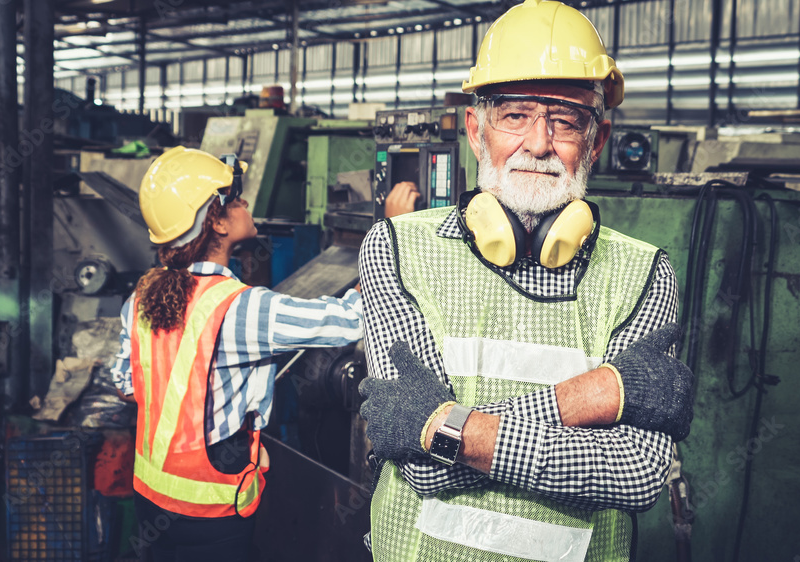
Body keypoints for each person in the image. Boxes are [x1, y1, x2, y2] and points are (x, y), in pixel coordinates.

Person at [356, 1, 695, 561]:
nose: (538, 143)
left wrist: (447, 428)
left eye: (565, 120)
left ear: (597, 139)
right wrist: (593, 396)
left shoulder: (644, 272)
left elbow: (637, 475)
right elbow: (422, 473)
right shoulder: (398, 248)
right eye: (514, 115)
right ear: (475, 128)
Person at [109, 146, 366, 562]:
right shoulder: (242, 308)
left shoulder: (142, 294)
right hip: (211, 511)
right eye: (234, 197)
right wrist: (391, 226)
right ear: (217, 221)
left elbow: (125, 386)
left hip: (151, 498)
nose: (245, 203)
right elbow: (350, 321)